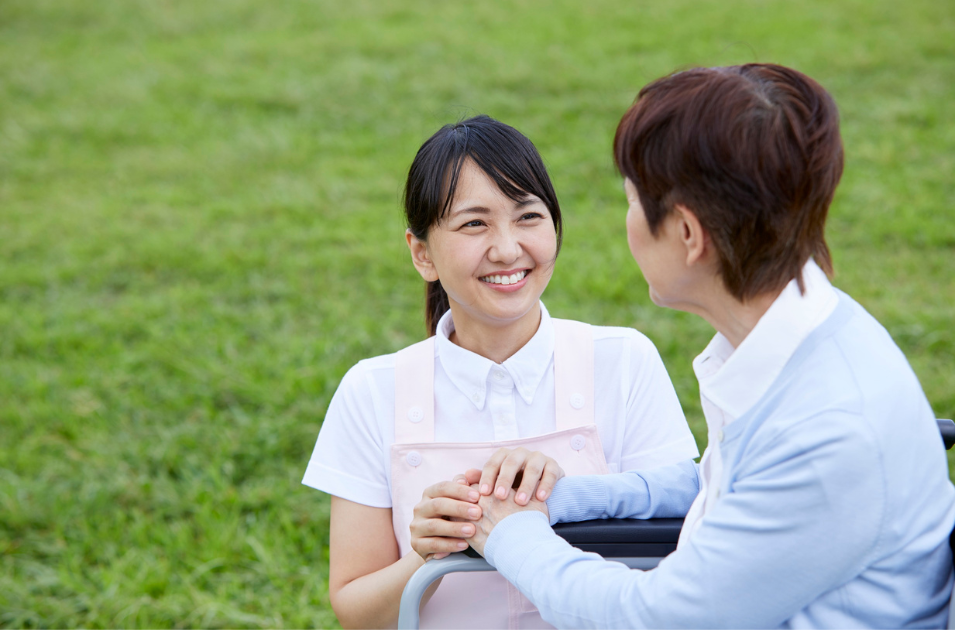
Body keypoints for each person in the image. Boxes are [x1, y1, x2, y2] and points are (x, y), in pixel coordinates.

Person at [458, 65, 955, 627]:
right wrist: (566, 498)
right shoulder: (800, 335)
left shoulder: (827, 431)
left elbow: (658, 618)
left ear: (688, 236)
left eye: (631, 200)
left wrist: (511, 533)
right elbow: (729, 485)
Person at [302, 115, 699, 628]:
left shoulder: (624, 360)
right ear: (422, 253)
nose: (508, 248)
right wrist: (425, 554)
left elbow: (681, 554)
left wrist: (567, 500)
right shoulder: (371, 391)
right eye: (474, 223)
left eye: (528, 217)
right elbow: (359, 614)